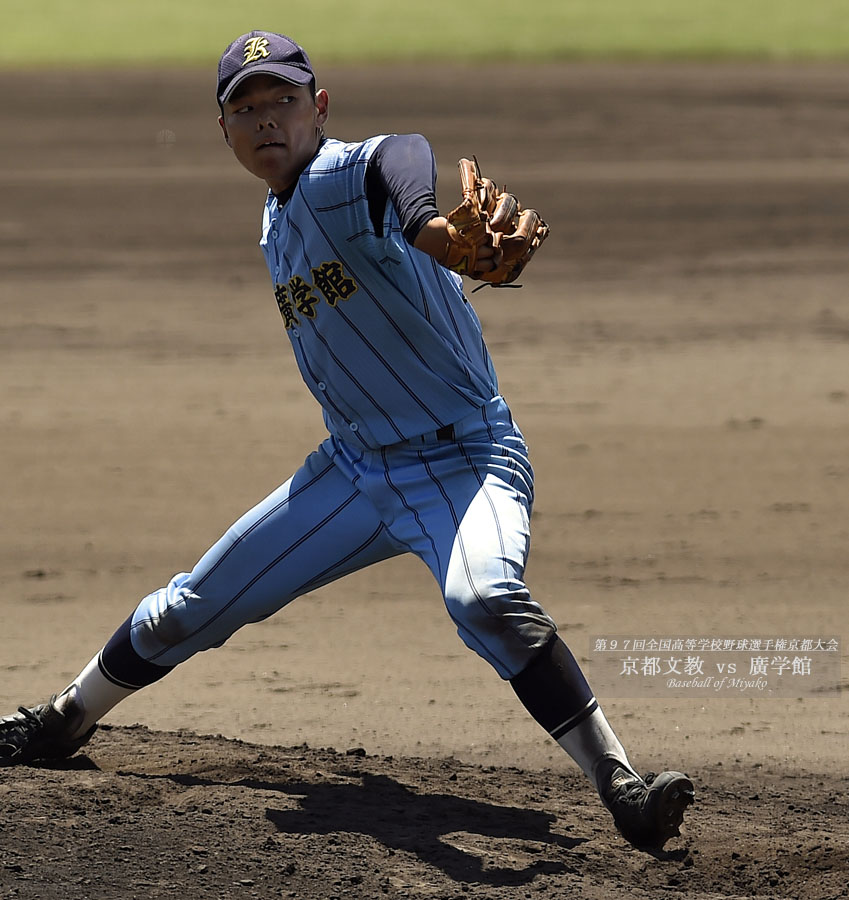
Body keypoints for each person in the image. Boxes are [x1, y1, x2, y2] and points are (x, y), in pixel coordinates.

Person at [0, 31, 693, 850]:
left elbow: (394, 155)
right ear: (222, 132)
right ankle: (65, 719)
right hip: (353, 470)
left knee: (483, 599)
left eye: (283, 102)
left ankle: (620, 785)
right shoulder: (276, 213)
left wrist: (430, 228)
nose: (266, 122)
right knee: (191, 607)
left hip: (462, 460)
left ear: (317, 109)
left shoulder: (336, 176)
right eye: (245, 109)